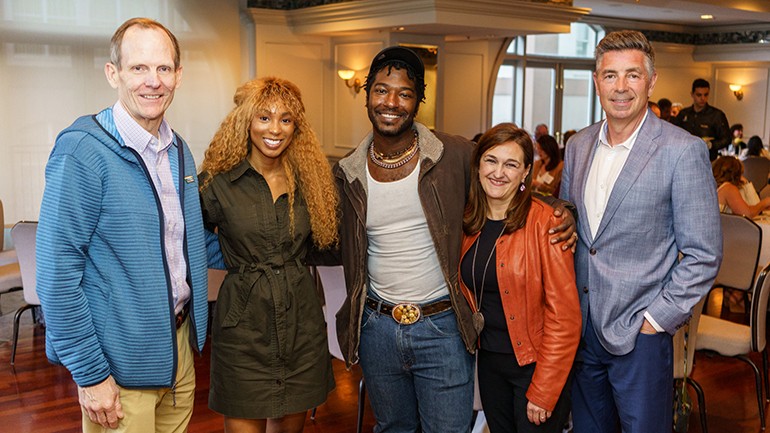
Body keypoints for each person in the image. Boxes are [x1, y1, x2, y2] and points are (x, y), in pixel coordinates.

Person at [333, 46, 576, 433]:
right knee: (393, 427)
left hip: (442, 326)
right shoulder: (346, 173)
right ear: (367, 96)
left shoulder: (454, 155)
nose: (391, 102)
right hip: (377, 328)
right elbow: (327, 239)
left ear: (419, 101)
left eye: (405, 93)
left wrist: (562, 208)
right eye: (381, 90)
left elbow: (502, 180)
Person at [36, 18, 209, 433]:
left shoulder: (178, 149)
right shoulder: (82, 150)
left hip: (178, 353)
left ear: (179, 76)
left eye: (164, 68)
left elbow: (183, 242)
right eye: (139, 68)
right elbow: (57, 276)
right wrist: (90, 375)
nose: (153, 81)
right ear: (113, 73)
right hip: (118, 366)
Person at [560, 30, 722, 433]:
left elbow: (703, 254)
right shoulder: (578, 145)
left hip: (640, 334)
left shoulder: (682, 150)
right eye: (610, 75)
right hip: (581, 330)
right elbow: (571, 226)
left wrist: (655, 319)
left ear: (651, 82)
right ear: (597, 81)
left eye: (632, 75)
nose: (620, 87)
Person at [198, 77, 339, 433]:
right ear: (245, 120)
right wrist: (233, 260)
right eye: (264, 117)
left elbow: (327, 241)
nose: (275, 129)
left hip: (302, 322)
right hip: (243, 326)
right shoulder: (217, 182)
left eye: (286, 119)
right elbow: (183, 237)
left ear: (297, 127)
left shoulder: (312, 180)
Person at [459, 123, 581, 433]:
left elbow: (565, 318)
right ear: (478, 164)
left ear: (526, 171)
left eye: (511, 164)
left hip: (535, 368)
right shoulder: (466, 220)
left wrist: (545, 388)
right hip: (489, 366)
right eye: (491, 160)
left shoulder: (546, 222)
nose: (498, 172)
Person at [673, 78, 731, 161]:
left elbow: (727, 138)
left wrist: (711, 144)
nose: (703, 98)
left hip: (707, 159)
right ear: (692, 94)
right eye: (699, 95)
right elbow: (675, 134)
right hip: (684, 158)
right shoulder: (683, 114)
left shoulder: (716, 115)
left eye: (706, 95)